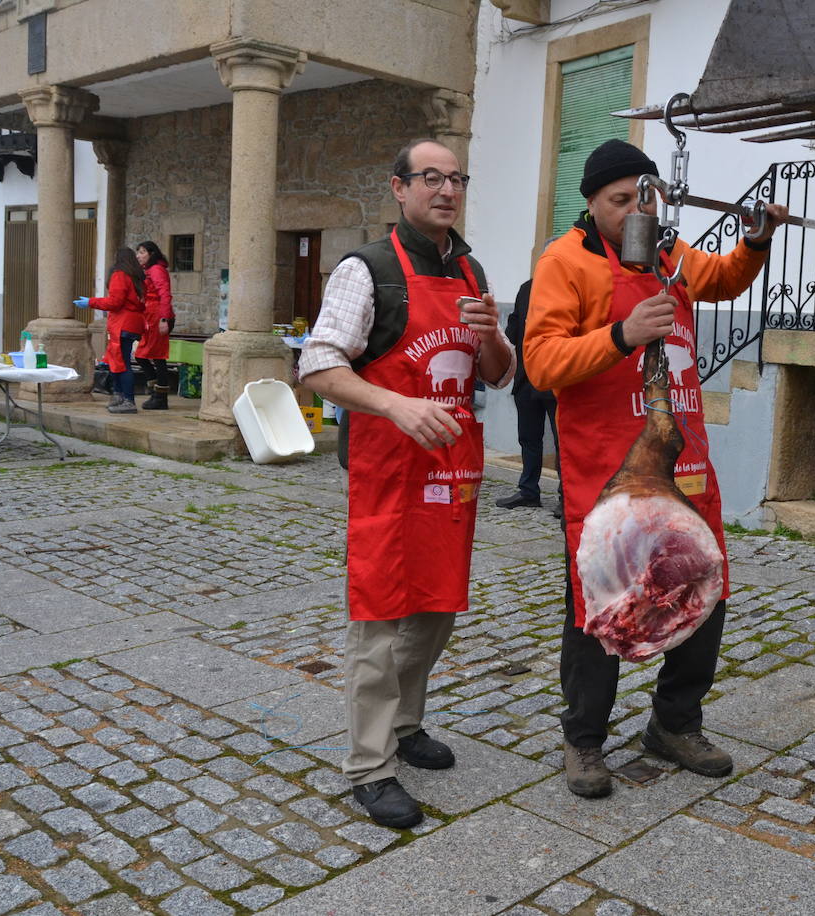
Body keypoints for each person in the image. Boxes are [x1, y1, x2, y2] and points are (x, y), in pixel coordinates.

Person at [523, 138, 786, 798]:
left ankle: (674, 723)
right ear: (591, 202)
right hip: (608, 470)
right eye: (618, 200)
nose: (633, 209)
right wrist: (621, 335)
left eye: (644, 195)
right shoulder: (564, 262)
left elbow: (722, 277)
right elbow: (541, 364)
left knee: (702, 588)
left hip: (685, 460)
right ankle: (584, 739)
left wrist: (754, 244)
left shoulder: (668, 252)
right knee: (601, 605)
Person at [298, 138, 513, 829]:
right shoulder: (370, 270)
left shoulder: (471, 267)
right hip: (389, 475)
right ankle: (368, 765)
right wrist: (394, 404)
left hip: (452, 474)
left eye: (457, 179)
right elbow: (317, 366)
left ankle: (407, 723)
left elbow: (498, 374)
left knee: (437, 608)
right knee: (382, 618)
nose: (447, 190)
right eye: (431, 178)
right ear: (399, 187)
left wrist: (494, 336)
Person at [495, 276, 560, 515]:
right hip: (526, 376)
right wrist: (503, 353)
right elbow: (513, 326)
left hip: (557, 375)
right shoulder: (526, 288)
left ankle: (567, 496)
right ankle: (528, 491)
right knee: (528, 437)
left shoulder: (569, 284)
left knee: (562, 440)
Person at [76, 247, 147, 414]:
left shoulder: (120, 275)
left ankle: (127, 400)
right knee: (119, 361)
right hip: (132, 323)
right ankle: (120, 396)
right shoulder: (137, 277)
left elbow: (114, 302)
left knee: (122, 363)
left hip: (122, 323)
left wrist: (91, 302)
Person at [135, 240, 174, 410]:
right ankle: (155, 392)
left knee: (157, 357)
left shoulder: (156, 270)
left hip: (158, 317)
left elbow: (165, 294)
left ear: (151, 253)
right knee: (142, 355)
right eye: (138, 252)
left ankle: (160, 397)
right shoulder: (148, 270)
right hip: (150, 316)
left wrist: (164, 319)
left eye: (142, 252)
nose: (138, 256)